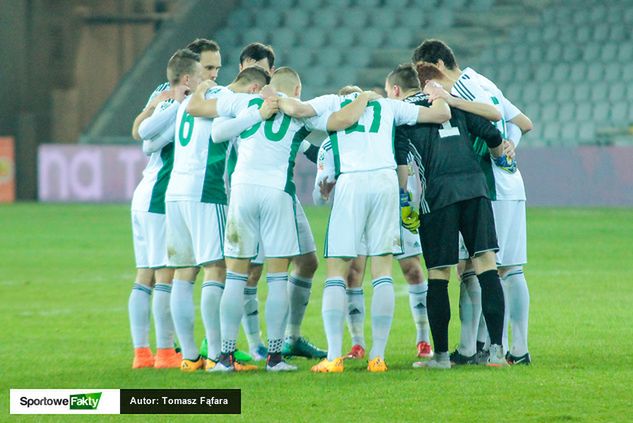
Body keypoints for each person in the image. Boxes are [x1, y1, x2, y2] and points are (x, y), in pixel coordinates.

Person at [187, 67, 373, 371]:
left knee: (235, 276)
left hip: (242, 191)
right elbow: (341, 121)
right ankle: (274, 358)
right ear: (297, 89)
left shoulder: (243, 102)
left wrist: (256, 114)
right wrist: (365, 97)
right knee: (276, 277)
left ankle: (224, 357)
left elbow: (214, 130)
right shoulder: (300, 111)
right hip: (277, 192)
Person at [299, 79, 451, 373]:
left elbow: (300, 111)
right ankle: (377, 358)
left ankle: (333, 357)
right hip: (385, 181)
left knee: (337, 270)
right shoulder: (389, 106)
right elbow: (440, 115)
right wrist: (440, 95)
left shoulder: (333, 110)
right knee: (383, 269)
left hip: (352, 182)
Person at [413, 39, 534, 365]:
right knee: (483, 266)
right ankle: (476, 347)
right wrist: (511, 146)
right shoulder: (481, 80)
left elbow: (492, 116)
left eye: (425, 78)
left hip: (489, 184)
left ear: (436, 67)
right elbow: (523, 123)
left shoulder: (462, 89)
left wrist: (500, 150)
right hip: (504, 182)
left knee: (499, 267)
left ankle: (513, 349)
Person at [393, 62, 509, 369]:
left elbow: (402, 166)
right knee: (486, 266)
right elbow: (493, 133)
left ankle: (442, 357)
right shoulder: (447, 101)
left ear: (395, 90)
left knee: (440, 274)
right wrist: (500, 158)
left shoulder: (403, 115)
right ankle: (497, 353)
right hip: (475, 187)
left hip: (438, 195)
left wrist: (405, 202)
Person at [165, 66, 270, 373]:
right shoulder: (225, 98)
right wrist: (258, 114)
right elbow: (219, 133)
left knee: (183, 274)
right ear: (253, 89)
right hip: (205, 188)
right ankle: (216, 355)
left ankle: (190, 356)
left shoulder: (192, 100)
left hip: (175, 191)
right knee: (216, 269)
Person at [127, 49, 192, 369]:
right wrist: (175, 105)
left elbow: (146, 138)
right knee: (164, 274)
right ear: (187, 76)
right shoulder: (177, 99)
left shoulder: (164, 97)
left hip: (147, 195)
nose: (214, 73)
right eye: (210, 67)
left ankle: (143, 353)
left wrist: (159, 109)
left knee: (146, 276)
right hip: (158, 196)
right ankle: (164, 352)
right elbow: (145, 136)